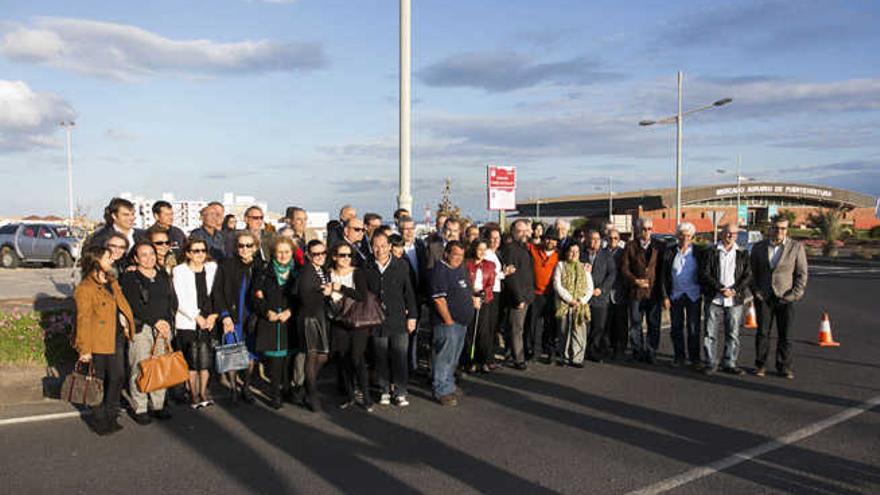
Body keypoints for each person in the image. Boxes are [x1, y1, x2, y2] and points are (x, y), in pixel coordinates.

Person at [74, 245, 135, 435]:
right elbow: (83, 320)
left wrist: (127, 323)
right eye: (108, 257)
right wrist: (84, 348)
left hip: (116, 337)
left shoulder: (111, 280)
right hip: (97, 341)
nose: (112, 260)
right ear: (96, 261)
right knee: (97, 381)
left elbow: (121, 303)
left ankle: (111, 412)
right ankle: (98, 417)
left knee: (117, 376)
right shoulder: (85, 289)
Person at [120, 242, 176, 425]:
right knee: (141, 366)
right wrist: (155, 322)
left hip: (163, 328)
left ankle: (158, 403)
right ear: (135, 258)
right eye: (143, 255)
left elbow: (170, 300)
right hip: (142, 327)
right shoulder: (130, 278)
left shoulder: (162, 275)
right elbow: (134, 305)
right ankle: (140, 406)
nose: (148, 258)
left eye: (151, 253)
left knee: (160, 366)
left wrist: (167, 321)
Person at [750, 217, 808, 379]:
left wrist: (795, 294)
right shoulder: (759, 247)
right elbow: (751, 273)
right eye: (776, 228)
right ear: (770, 229)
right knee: (762, 333)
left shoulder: (796, 248)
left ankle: (784, 367)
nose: (779, 231)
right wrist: (756, 291)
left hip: (785, 297)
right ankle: (760, 365)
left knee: (786, 334)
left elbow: (801, 274)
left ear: (787, 230)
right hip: (764, 297)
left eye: (783, 228)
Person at [365, 232, 418, 407]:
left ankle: (400, 391)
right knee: (380, 356)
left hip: (398, 318)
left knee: (400, 356)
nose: (379, 250)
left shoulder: (401, 265)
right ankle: (384, 389)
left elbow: (409, 292)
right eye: (376, 246)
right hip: (376, 319)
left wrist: (412, 317)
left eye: (383, 246)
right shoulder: (367, 266)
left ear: (389, 246)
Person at [216, 231, 263, 404]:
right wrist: (224, 315)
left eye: (248, 245)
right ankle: (233, 390)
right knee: (232, 352)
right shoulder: (227, 265)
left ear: (255, 247)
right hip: (232, 316)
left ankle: (246, 387)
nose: (244, 249)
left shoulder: (261, 266)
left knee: (250, 354)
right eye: (241, 245)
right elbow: (218, 291)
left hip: (252, 317)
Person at [172, 238, 220, 409]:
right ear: (188, 253)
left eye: (202, 250)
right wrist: (196, 317)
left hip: (209, 321)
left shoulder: (213, 268)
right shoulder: (179, 271)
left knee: (205, 360)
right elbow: (179, 299)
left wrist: (213, 316)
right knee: (192, 360)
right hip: (188, 322)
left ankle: (203, 391)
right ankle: (193, 393)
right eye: (195, 251)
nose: (200, 254)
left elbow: (218, 294)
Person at [700, 223, 753, 375]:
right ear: (722, 233)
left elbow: (747, 275)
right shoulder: (711, 251)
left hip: (734, 300)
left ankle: (729, 362)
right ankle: (710, 362)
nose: (731, 236)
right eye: (728, 233)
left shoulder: (742, 253)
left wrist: (735, 290)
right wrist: (720, 288)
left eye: (734, 233)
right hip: (715, 298)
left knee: (733, 333)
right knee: (710, 333)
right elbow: (705, 273)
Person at [430, 241, 478, 406]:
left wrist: (473, 300)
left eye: (461, 256)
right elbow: (439, 300)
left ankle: (449, 384)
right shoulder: (440, 270)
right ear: (446, 254)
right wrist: (449, 321)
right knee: (444, 358)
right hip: (447, 324)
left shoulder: (459, 269)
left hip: (461, 323)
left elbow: (465, 289)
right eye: (455, 255)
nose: (458, 259)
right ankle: (441, 389)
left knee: (453, 358)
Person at [252, 237, 297, 409]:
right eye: (280, 252)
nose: (283, 255)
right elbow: (255, 296)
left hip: (289, 321)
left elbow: (301, 296)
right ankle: (275, 394)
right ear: (273, 253)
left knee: (288, 359)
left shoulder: (297, 271)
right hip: (270, 321)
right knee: (275, 361)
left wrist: (290, 311)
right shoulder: (263, 271)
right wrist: (266, 312)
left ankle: (287, 389)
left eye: (287, 251)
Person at [328, 242, 373, 411]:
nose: (346, 259)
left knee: (356, 357)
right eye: (342, 255)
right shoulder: (328, 274)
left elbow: (362, 296)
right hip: (338, 322)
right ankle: (350, 395)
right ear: (334, 257)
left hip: (357, 322)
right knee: (343, 359)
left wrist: (342, 288)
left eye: (349, 255)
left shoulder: (357, 273)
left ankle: (366, 397)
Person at [295, 240, 333, 411]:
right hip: (309, 317)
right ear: (309, 255)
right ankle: (311, 393)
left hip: (320, 316)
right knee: (312, 355)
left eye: (323, 253)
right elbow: (305, 297)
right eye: (316, 254)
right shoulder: (306, 272)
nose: (320, 257)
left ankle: (306, 387)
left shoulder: (322, 269)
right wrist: (324, 292)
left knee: (322, 356)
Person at [660, 222, 704, 368]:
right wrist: (665, 296)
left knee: (693, 328)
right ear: (677, 236)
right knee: (676, 327)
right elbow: (664, 276)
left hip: (693, 295)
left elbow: (704, 273)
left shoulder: (699, 252)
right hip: (676, 295)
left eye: (688, 235)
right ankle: (679, 357)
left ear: (692, 236)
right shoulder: (670, 251)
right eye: (682, 235)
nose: (684, 238)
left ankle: (694, 359)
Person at [620, 218, 664, 364]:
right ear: (639, 230)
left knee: (653, 324)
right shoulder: (630, 246)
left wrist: (662, 292)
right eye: (644, 229)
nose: (647, 232)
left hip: (653, 292)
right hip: (636, 292)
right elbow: (624, 268)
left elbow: (662, 269)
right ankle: (637, 351)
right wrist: (635, 280)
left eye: (649, 229)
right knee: (635, 323)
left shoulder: (659, 246)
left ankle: (651, 351)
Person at [501, 219, 535, 370]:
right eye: (519, 231)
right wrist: (518, 297)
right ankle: (518, 359)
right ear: (513, 232)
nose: (523, 233)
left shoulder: (524, 247)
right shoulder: (510, 249)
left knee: (518, 328)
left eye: (525, 230)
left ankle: (513, 353)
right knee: (516, 329)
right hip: (518, 297)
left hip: (526, 295)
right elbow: (511, 276)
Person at [554, 243, 593, 367]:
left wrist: (581, 301)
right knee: (563, 330)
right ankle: (563, 357)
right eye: (571, 251)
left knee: (579, 331)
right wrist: (570, 299)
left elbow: (590, 287)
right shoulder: (560, 265)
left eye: (576, 252)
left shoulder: (584, 268)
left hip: (580, 305)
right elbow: (557, 285)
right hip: (564, 304)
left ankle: (577, 358)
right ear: (566, 252)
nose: (574, 254)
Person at [582, 230, 616, 362]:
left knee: (599, 327)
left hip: (600, 297)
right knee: (585, 325)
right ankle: (584, 351)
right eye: (591, 239)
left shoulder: (606, 255)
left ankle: (594, 351)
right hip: (585, 297)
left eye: (597, 239)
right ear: (587, 240)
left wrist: (602, 289)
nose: (594, 242)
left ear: (601, 241)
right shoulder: (581, 254)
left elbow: (612, 274)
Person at [463, 239, 496, 373]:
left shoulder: (490, 265)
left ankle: (485, 360)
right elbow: (465, 283)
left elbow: (490, 284)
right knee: (470, 332)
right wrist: (472, 296)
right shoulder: (466, 264)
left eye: (484, 249)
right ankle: (470, 361)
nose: (482, 252)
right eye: (479, 249)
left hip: (484, 300)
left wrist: (482, 296)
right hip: (469, 299)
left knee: (483, 332)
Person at [527, 228, 560, 362]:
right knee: (534, 325)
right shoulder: (534, 249)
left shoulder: (560, 255)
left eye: (553, 239)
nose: (550, 241)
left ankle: (551, 352)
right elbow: (524, 243)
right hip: (536, 294)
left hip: (552, 294)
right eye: (547, 238)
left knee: (551, 324)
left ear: (556, 242)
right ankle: (535, 352)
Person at [606, 229, 629, 360]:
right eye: (610, 238)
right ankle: (608, 347)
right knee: (608, 323)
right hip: (606, 293)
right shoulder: (602, 253)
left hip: (620, 292)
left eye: (615, 238)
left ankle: (620, 349)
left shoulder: (623, 253)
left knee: (621, 323)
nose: (613, 241)